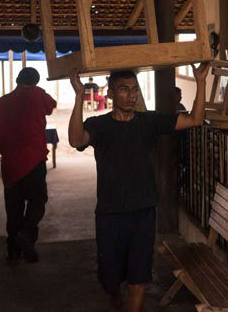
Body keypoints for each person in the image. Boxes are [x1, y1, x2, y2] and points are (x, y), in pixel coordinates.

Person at [68, 63, 210, 312]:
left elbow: (195, 119)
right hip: (109, 214)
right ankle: (114, 297)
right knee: (109, 280)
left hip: (143, 213)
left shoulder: (149, 121)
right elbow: (75, 139)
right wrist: (80, 96)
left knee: (138, 279)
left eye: (134, 90)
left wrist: (200, 81)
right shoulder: (98, 125)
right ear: (110, 93)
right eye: (124, 90)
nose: (131, 95)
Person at [0, 67, 57, 265]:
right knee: (37, 201)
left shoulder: (0, 103)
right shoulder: (38, 95)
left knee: (13, 209)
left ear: (17, 79)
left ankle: (13, 250)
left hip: (11, 164)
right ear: (36, 82)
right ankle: (27, 236)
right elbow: (52, 106)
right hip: (35, 161)